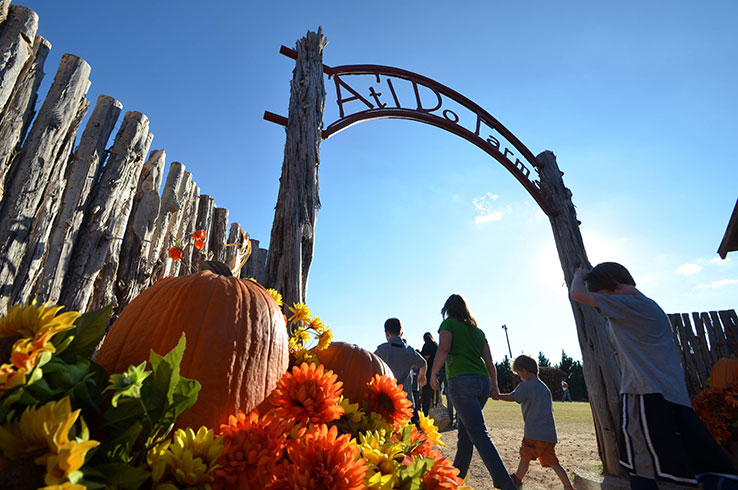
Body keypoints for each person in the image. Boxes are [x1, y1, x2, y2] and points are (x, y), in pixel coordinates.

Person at [570, 262, 738, 490]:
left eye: (602, 297)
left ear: (616, 286)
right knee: (701, 462)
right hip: (671, 394)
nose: (603, 307)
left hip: (644, 393)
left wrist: (580, 274)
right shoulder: (649, 306)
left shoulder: (628, 303)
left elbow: (577, 294)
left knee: (640, 465)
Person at [429, 294, 516, 490]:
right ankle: (455, 479)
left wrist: (433, 373)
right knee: (466, 433)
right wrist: (494, 385)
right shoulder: (478, 331)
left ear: (448, 309)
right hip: (482, 382)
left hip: (461, 381)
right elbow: (489, 361)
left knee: (478, 432)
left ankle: (505, 485)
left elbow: (443, 349)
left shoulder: (448, 324)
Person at [495, 355, 575, 490]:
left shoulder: (525, 386)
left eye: (518, 373)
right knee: (554, 463)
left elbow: (513, 397)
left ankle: (516, 481)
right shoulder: (544, 388)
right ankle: (568, 487)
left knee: (525, 457)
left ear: (524, 371)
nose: (519, 376)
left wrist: (498, 396)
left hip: (533, 434)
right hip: (549, 435)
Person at [375, 318, 427, 424]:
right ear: (401, 333)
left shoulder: (381, 350)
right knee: (406, 432)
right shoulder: (409, 351)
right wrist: (422, 375)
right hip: (405, 398)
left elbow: (370, 363)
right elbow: (423, 363)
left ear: (386, 333)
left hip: (387, 399)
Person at [420, 332, 438, 414]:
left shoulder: (427, 345)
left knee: (426, 395)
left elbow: (424, 360)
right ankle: (435, 413)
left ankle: (426, 413)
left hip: (429, 372)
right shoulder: (436, 345)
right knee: (435, 395)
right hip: (437, 372)